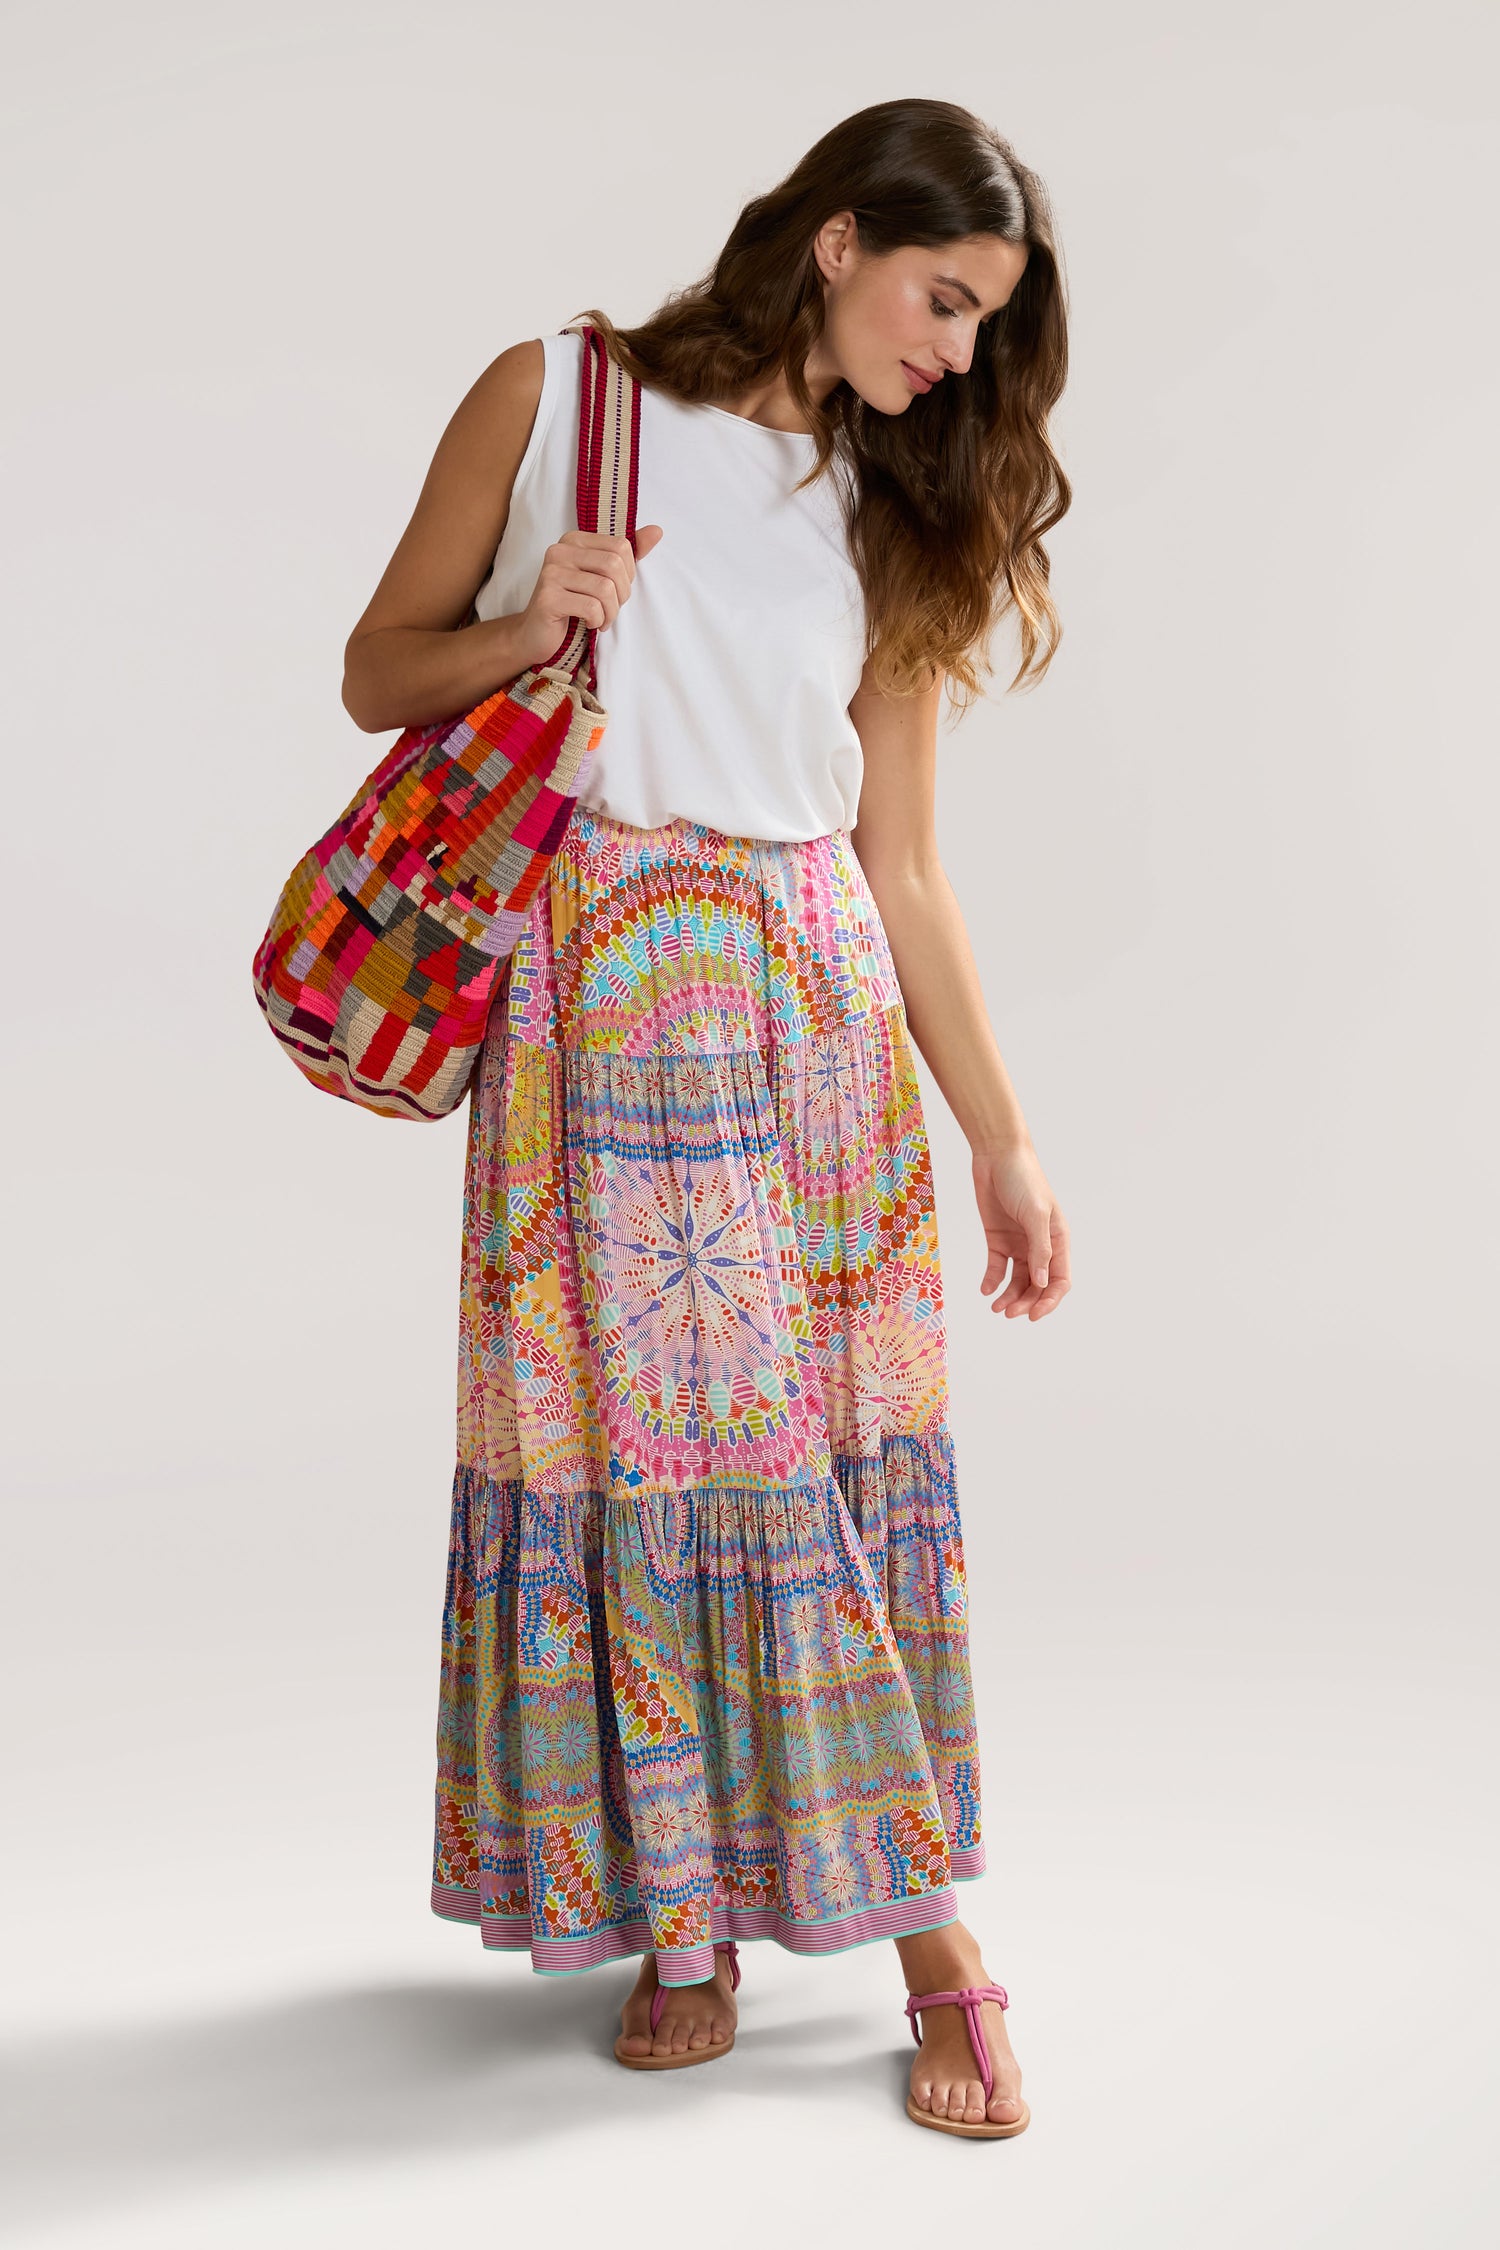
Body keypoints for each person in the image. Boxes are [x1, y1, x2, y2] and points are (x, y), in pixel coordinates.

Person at [341, 96, 1072, 2141]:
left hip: (815, 1021)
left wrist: (1003, 1133)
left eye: (987, 327)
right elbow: (372, 669)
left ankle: (934, 1935)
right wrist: (538, 619)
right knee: (648, 1469)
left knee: (823, 1467)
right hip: (597, 1011)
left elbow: (905, 865)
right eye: (945, 299)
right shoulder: (559, 398)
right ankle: (689, 1917)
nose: (956, 353)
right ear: (836, 243)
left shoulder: (887, 497)